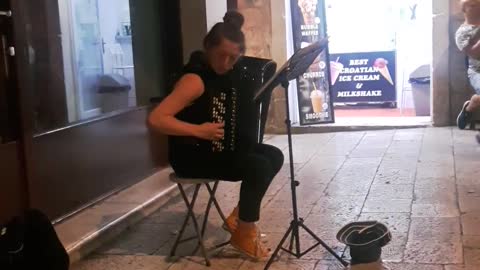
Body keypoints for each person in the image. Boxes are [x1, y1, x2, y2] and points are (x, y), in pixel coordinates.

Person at [148, 10, 284, 260]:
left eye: (234, 58)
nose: (228, 64)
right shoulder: (194, 80)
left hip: (215, 152)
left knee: (274, 155)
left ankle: (240, 218)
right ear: (207, 48)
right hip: (191, 156)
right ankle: (244, 231)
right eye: (222, 56)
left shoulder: (226, 75)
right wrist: (198, 130)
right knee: (258, 165)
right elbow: (156, 119)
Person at [456, 0, 480, 130]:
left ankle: (474, 102)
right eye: (472, 5)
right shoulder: (462, 33)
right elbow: (474, 53)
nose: (477, 7)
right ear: (464, 9)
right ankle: (469, 108)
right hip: (477, 71)